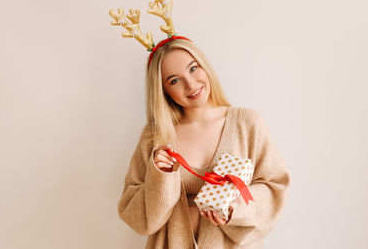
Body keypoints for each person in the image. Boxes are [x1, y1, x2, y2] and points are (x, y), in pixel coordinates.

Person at [117, 37, 291, 248]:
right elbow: (137, 217)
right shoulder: (155, 137)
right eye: (174, 80)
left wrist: (233, 209)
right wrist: (160, 179)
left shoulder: (246, 122)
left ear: (204, 65)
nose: (190, 84)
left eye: (193, 68)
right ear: (163, 91)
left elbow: (275, 186)